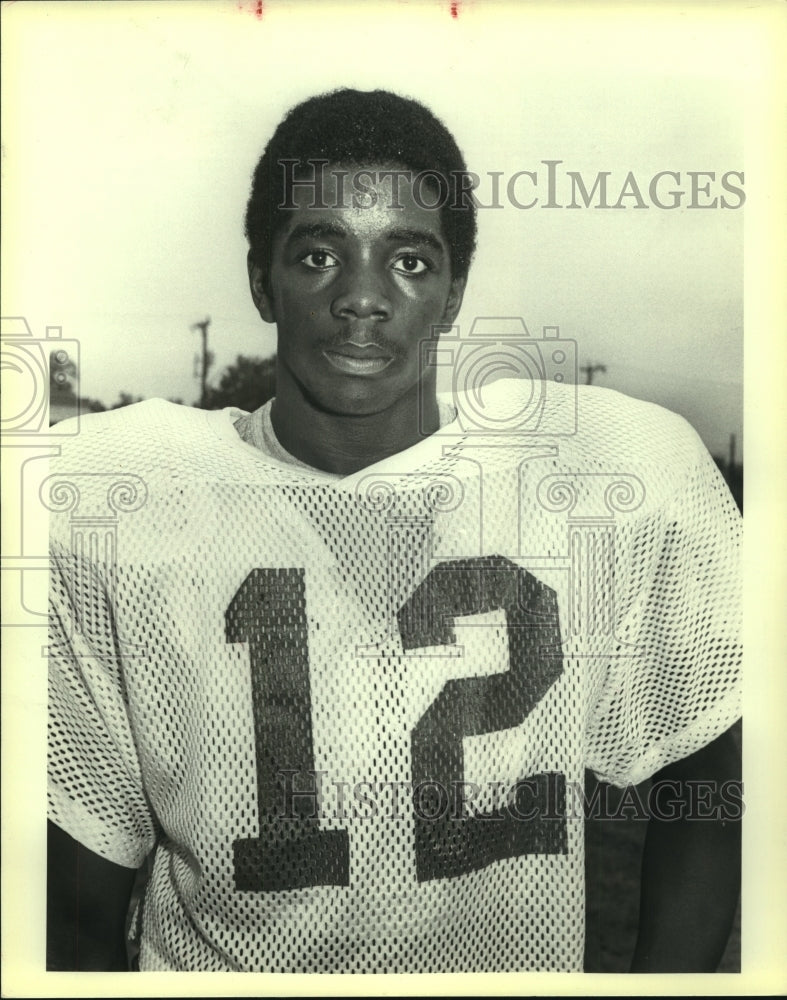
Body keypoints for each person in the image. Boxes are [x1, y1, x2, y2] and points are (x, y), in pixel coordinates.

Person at [46, 88, 742, 973]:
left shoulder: (597, 469)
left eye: (409, 261)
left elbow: (715, 789)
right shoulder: (124, 498)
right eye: (318, 254)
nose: (363, 298)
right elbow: (73, 899)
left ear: (452, 293)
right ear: (262, 278)